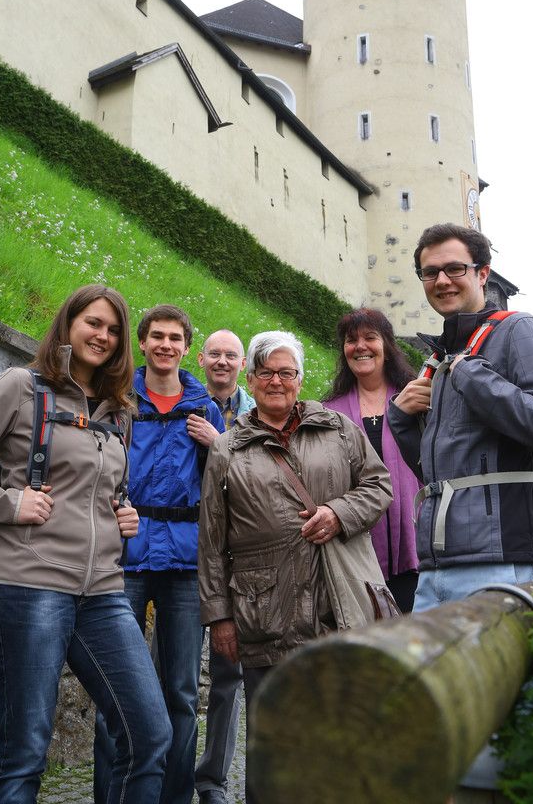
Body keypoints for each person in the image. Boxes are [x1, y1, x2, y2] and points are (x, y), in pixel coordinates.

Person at [0, 284, 172, 803]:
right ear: (68, 324)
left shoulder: (118, 412)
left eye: (113, 329)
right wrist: (7, 504)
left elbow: (96, 491)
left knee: (150, 733)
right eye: (92, 323)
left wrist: (121, 513)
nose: (102, 336)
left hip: (103, 591)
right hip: (26, 582)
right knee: (25, 752)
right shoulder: (22, 387)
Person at [198, 330, 392, 804]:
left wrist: (339, 513)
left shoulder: (338, 429)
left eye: (287, 372)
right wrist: (219, 616)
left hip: (336, 605)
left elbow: (379, 485)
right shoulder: (228, 447)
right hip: (265, 612)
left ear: (300, 378)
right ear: (252, 376)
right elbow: (211, 539)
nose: (277, 381)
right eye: (266, 372)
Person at [386, 223, 533, 613]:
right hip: (436, 567)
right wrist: (403, 423)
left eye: (455, 268)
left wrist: (472, 376)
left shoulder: (519, 330)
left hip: (504, 561)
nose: (442, 281)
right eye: (430, 272)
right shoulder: (440, 357)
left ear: (482, 273)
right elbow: (439, 473)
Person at [94, 304, 225, 804]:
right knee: (115, 692)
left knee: (182, 693)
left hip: (187, 564)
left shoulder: (205, 408)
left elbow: (226, 483)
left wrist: (219, 445)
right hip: (124, 556)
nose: (166, 345)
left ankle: (174, 798)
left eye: (175, 338)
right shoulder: (119, 402)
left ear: (186, 347)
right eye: (157, 337)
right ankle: (111, 796)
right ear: (142, 343)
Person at [189, 330, 255, 804]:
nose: (222, 361)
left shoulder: (257, 414)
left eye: (231, 355)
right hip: (181, 554)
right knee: (176, 672)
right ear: (202, 357)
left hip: (236, 557)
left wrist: (221, 443)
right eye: (214, 353)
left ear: (242, 365)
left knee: (229, 677)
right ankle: (170, 772)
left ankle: (212, 779)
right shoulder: (181, 400)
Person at [323, 308, 421, 613]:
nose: (360, 346)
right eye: (351, 340)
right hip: (357, 548)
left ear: (387, 346)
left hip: (414, 543)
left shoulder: (414, 398)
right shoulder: (329, 411)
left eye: (370, 337)